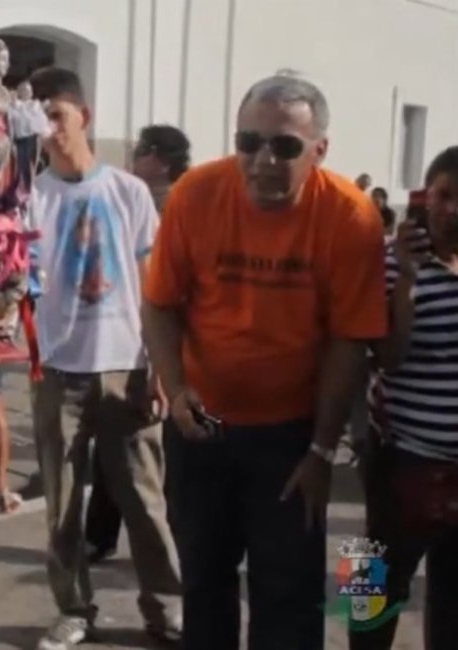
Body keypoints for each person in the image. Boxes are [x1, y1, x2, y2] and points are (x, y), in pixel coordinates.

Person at [142, 75, 388, 650]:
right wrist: (175, 391)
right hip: (203, 427)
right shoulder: (195, 194)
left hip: (291, 434)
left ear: (319, 151)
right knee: (203, 582)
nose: (261, 161)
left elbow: (349, 342)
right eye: (248, 142)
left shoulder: (350, 218)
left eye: (284, 146)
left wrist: (322, 449)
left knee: (288, 593)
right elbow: (159, 304)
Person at [25, 67, 182, 650]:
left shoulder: (127, 191)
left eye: (57, 116)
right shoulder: (31, 198)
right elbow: (20, 283)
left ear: (83, 117)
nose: (49, 129)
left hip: (126, 368)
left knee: (144, 500)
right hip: (58, 371)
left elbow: (153, 285)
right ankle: (74, 608)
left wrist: (163, 368)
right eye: (39, 119)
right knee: (62, 505)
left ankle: (167, 610)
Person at [351, 146, 458, 650]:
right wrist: (410, 282)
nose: (452, 210)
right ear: (424, 197)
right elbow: (388, 358)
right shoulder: (389, 262)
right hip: (400, 459)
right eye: (444, 196)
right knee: (369, 587)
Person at [84, 122, 192, 563]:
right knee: (117, 443)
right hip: (129, 337)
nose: (134, 157)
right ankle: (101, 534)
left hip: (166, 343)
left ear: (162, 162)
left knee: (159, 453)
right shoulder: (132, 198)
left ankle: (170, 547)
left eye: (142, 151)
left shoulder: (179, 208)